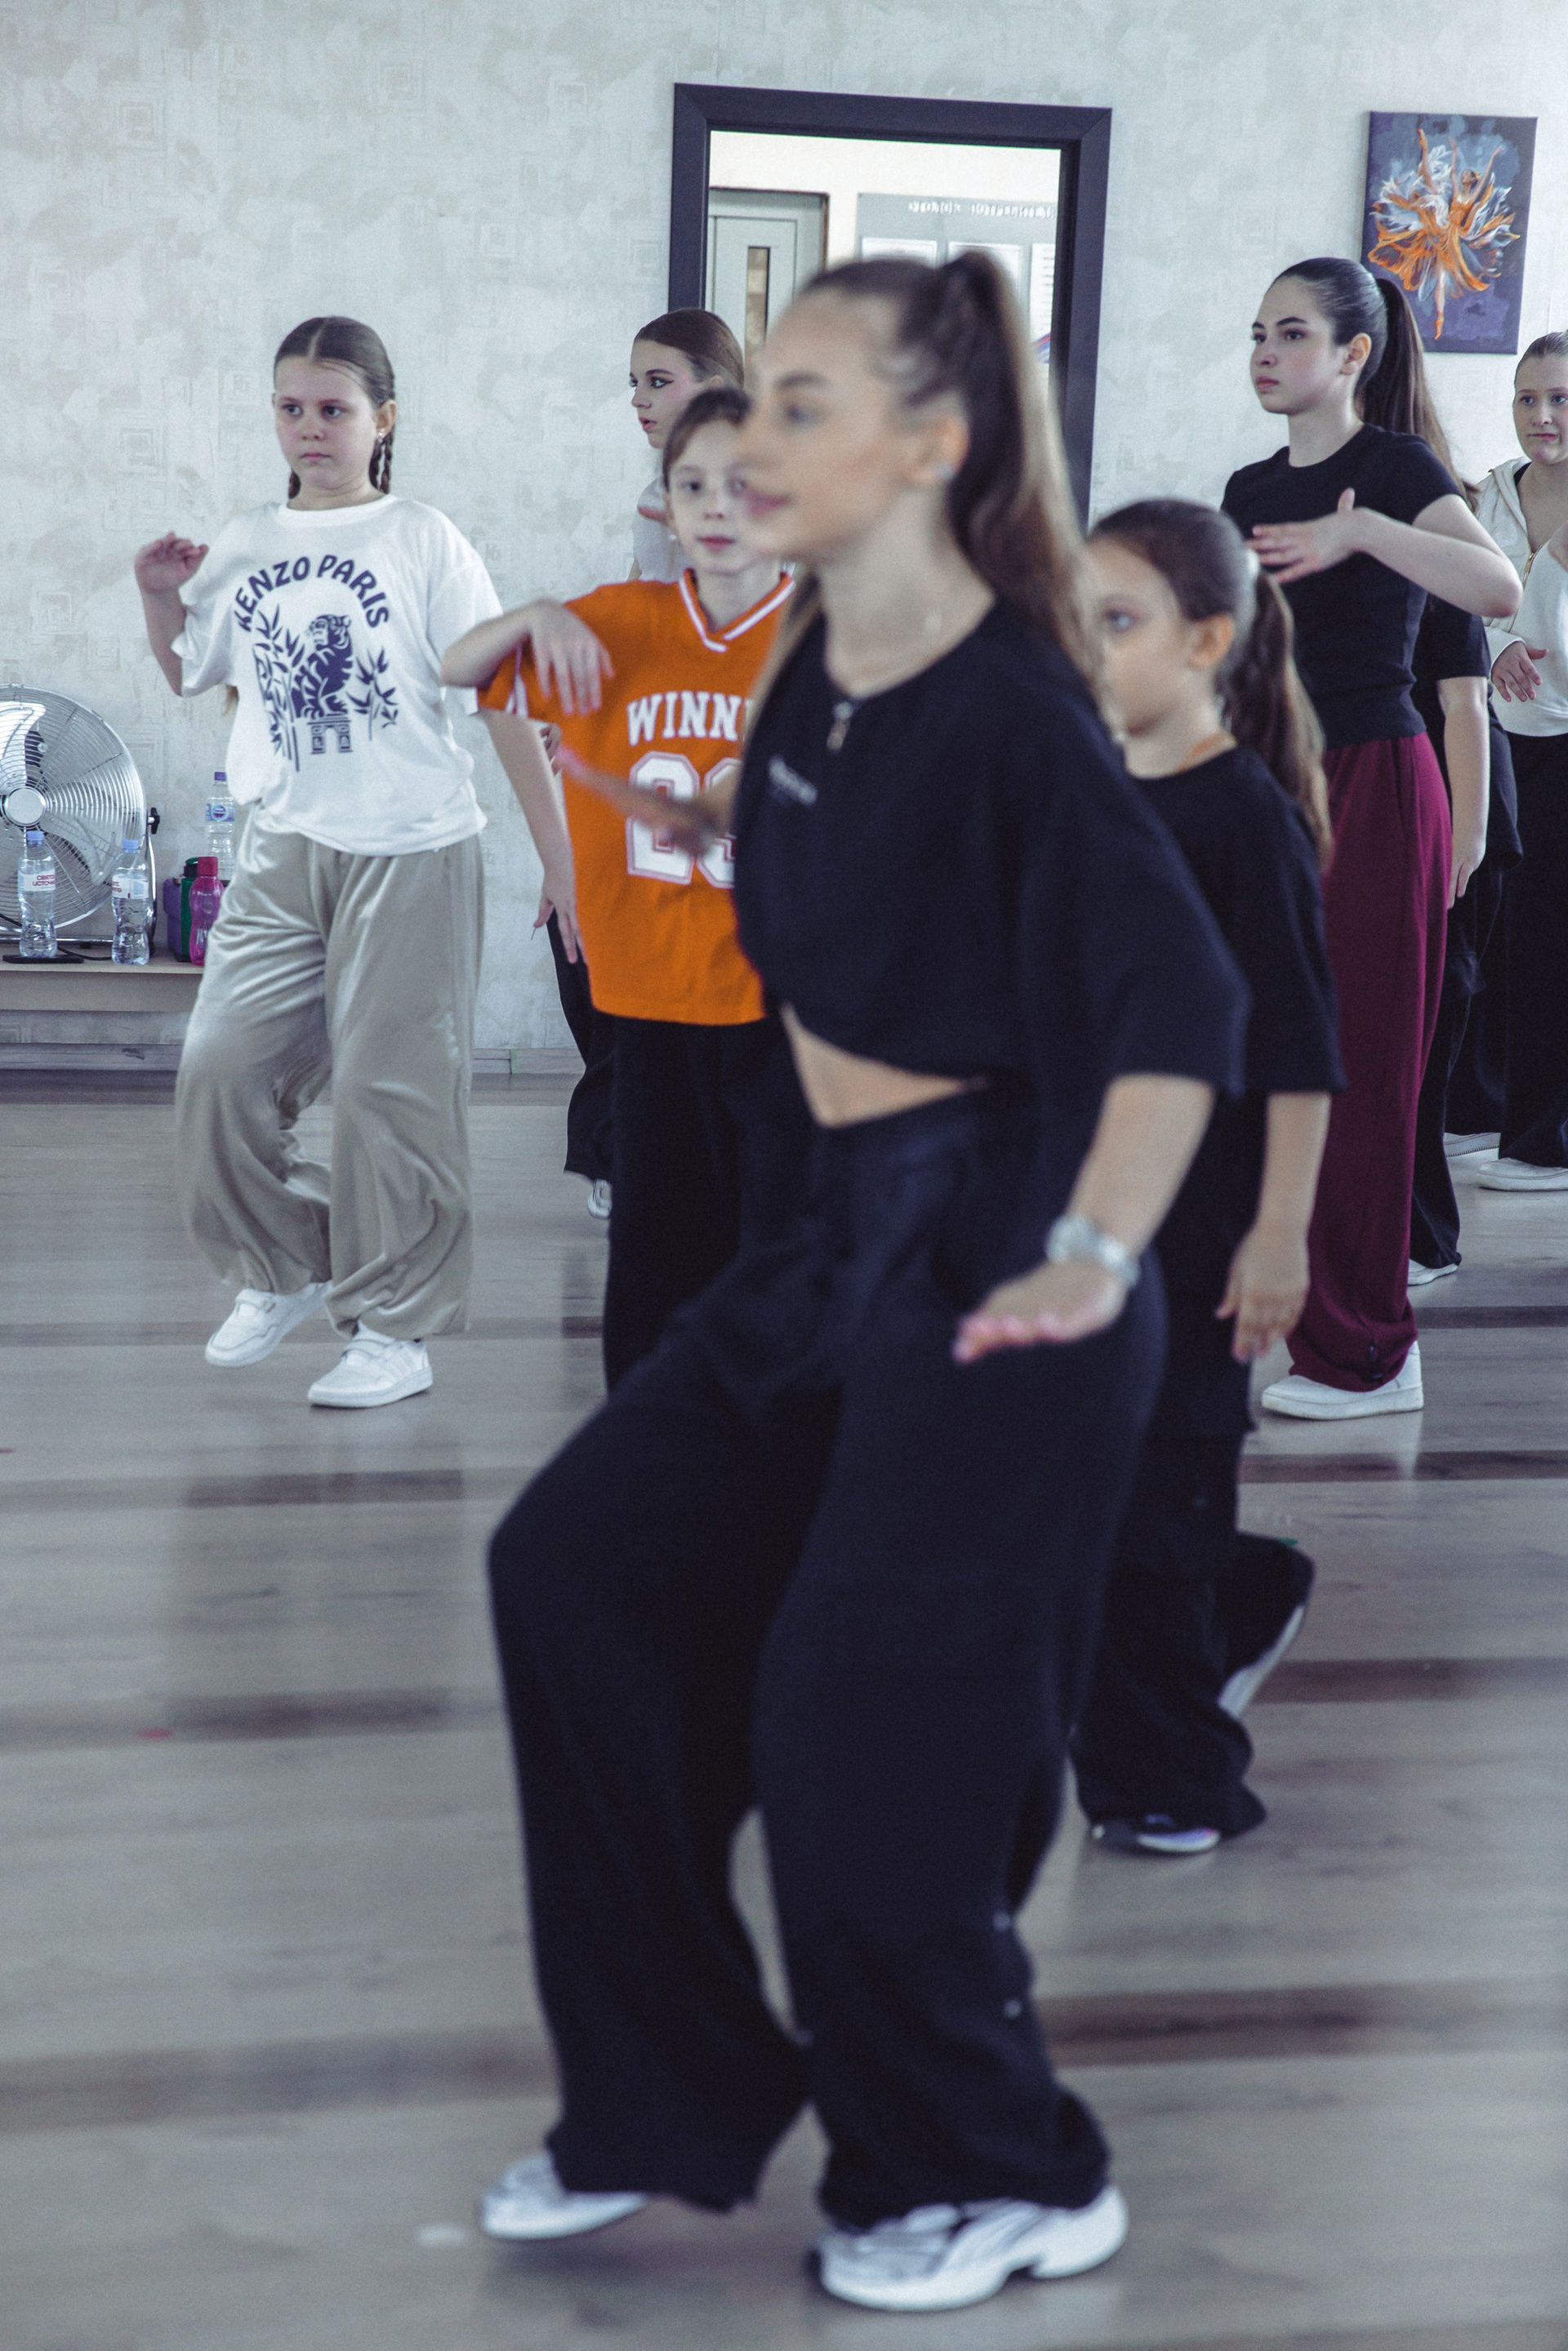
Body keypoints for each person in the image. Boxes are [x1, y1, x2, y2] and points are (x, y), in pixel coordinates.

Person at [479, 254, 1247, 2314]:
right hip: (836, 1223)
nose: (741, 438)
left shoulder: (1015, 699)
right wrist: (696, 803)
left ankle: (1004, 2165)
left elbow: (1181, 1005)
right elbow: (813, 799)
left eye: (802, 403)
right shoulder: (829, 651)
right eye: (750, 401)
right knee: (577, 1573)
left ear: (929, 445)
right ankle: (663, 2089)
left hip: (1007, 1241)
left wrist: (1093, 1255)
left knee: (859, 1717)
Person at [136, 315, 501, 1409]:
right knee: (219, 1068)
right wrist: (158, 592)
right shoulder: (248, 538)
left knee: (396, 1099)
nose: (310, 428)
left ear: (382, 419)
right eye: (291, 408)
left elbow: (497, 690)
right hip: (282, 843)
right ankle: (288, 1263)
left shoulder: (425, 538)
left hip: (413, 846)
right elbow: (191, 672)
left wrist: (566, 856)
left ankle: (396, 1329)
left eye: (333, 409)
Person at [1069, 501, 1340, 1856]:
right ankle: (1243, 1588)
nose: (1085, 644)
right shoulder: (1084, 789)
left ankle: (1175, 1778)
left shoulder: (1244, 818)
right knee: (1086, 1497)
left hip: (1202, 1228)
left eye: (1117, 620)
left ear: (1207, 641)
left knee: (1153, 1509)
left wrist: (1279, 1233)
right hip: (1084, 1209)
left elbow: (1299, 1052)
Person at [443, 385, 809, 1385]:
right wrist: (536, 612)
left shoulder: (828, 638)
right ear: (667, 505)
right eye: (693, 485)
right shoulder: (614, 622)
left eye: (744, 483)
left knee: (780, 1242)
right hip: (651, 990)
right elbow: (460, 666)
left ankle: (769, 1439)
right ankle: (651, 1434)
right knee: (656, 1244)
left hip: (783, 997)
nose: (717, 506)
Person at [1223, 256, 1518, 1419]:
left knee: (1366, 1069)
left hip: (1379, 783)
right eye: (1258, 333)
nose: (1265, 353)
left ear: (1354, 353)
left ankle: (1375, 1351)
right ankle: (1299, 1318)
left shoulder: (1397, 468)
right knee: (1276, 1063)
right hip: (1274, 781)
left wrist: (1363, 535)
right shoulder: (1249, 486)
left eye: (1291, 333)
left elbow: (1495, 588)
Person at [1474, 330, 1568, 1191]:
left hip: (1563, 740)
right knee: (1490, 929)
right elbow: (1456, 603)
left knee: (1550, 945)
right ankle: (1483, 1111)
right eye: (1527, 398)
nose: (1542, 416)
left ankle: (1546, 1141)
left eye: (1561, 399)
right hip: (1495, 735)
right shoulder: (1489, 493)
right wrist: (1495, 643)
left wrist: (1529, 608)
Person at [1407, 593, 1521, 1272]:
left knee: (1432, 1021)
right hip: (1400, 795)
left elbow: (1467, 702)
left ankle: (1424, 1238)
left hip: (1454, 804)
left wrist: (1467, 834)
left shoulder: (1435, 565)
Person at [628, 309, 746, 581]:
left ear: (713, 391)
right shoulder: (655, 495)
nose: (637, 399)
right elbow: (636, 588)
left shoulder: (766, 494)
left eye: (658, 382)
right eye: (635, 383)